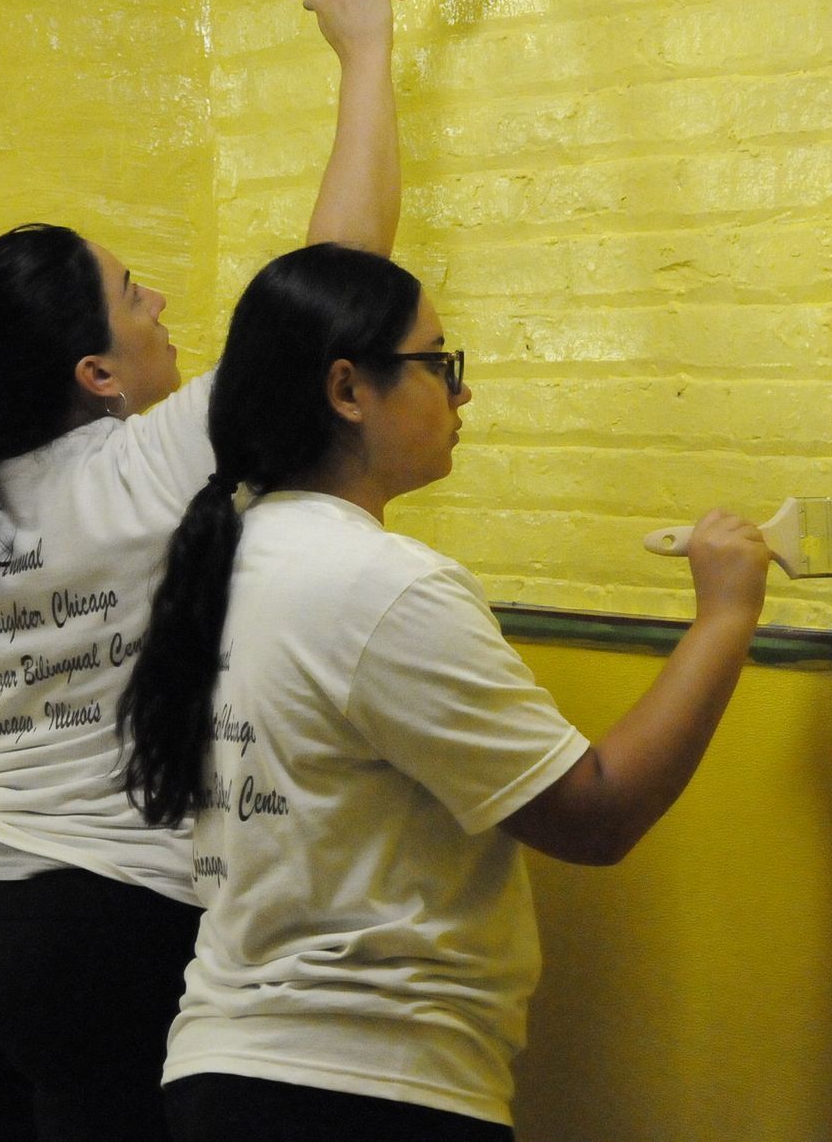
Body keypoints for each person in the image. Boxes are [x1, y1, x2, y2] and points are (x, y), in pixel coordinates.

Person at [0, 0, 410, 1141]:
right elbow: (335, 288)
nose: (161, 299)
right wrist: (364, 52)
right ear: (97, 376)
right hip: (103, 928)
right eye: (135, 294)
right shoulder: (148, 466)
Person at [124, 243, 774, 1141]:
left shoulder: (231, 553)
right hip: (360, 1089)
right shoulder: (379, 586)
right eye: (440, 363)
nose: (462, 394)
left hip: (227, 1074)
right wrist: (725, 617)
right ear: (349, 389)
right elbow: (595, 813)